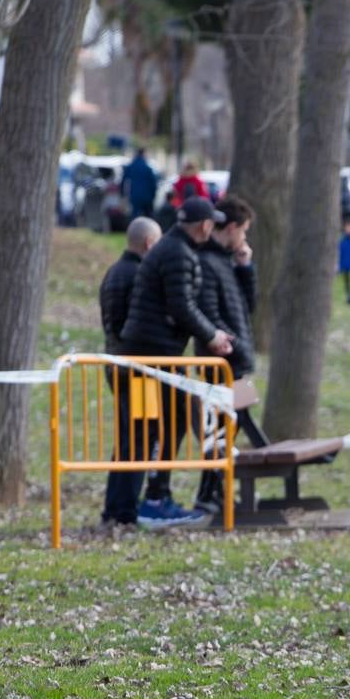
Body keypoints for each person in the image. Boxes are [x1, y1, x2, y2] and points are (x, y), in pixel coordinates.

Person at [119, 196, 233, 527]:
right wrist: (213, 335)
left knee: (172, 420)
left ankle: (155, 496)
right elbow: (181, 304)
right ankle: (154, 498)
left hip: (157, 352)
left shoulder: (176, 250)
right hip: (153, 355)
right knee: (163, 425)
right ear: (204, 226)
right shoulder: (179, 254)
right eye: (212, 223)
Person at [194, 195, 259, 513]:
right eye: (243, 231)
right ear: (231, 228)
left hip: (238, 361)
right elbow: (209, 313)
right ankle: (208, 494)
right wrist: (233, 344)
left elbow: (247, 307)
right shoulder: (206, 262)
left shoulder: (228, 261)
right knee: (217, 431)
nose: (244, 238)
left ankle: (219, 491)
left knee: (232, 428)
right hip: (221, 364)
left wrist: (246, 268)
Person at [99, 217, 161, 527]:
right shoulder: (139, 276)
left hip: (117, 365)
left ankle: (115, 507)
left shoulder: (114, 272)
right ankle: (125, 510)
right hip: (137, 369)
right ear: (149, 243)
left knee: (127, 439)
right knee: (140, 440)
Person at [122, 148, 159, 221]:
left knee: (135, 216)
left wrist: (122, 193)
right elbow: (153, 183)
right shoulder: (147, 167)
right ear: (143, 154)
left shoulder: (131, 166)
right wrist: (154, 195)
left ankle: (134, 231)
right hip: (147, 196)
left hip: (134, 195)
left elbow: (123, 180)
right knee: (149, 218)